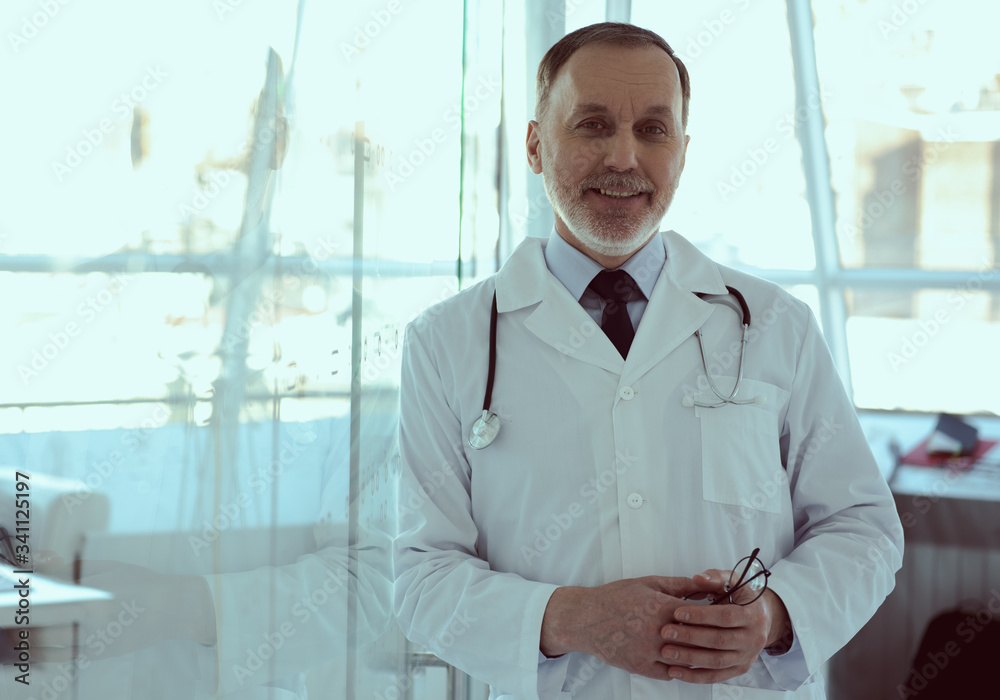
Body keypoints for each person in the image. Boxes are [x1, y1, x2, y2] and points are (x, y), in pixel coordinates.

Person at [393, 22, 903, 700]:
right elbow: (422, 577)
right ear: (536, 145)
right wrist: (572, 619)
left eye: (654, 130)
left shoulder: (778, 326)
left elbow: (863, 529)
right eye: (593, 125)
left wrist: (775, 615)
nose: (624, 157)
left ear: (682, 152)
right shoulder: (445, 343)